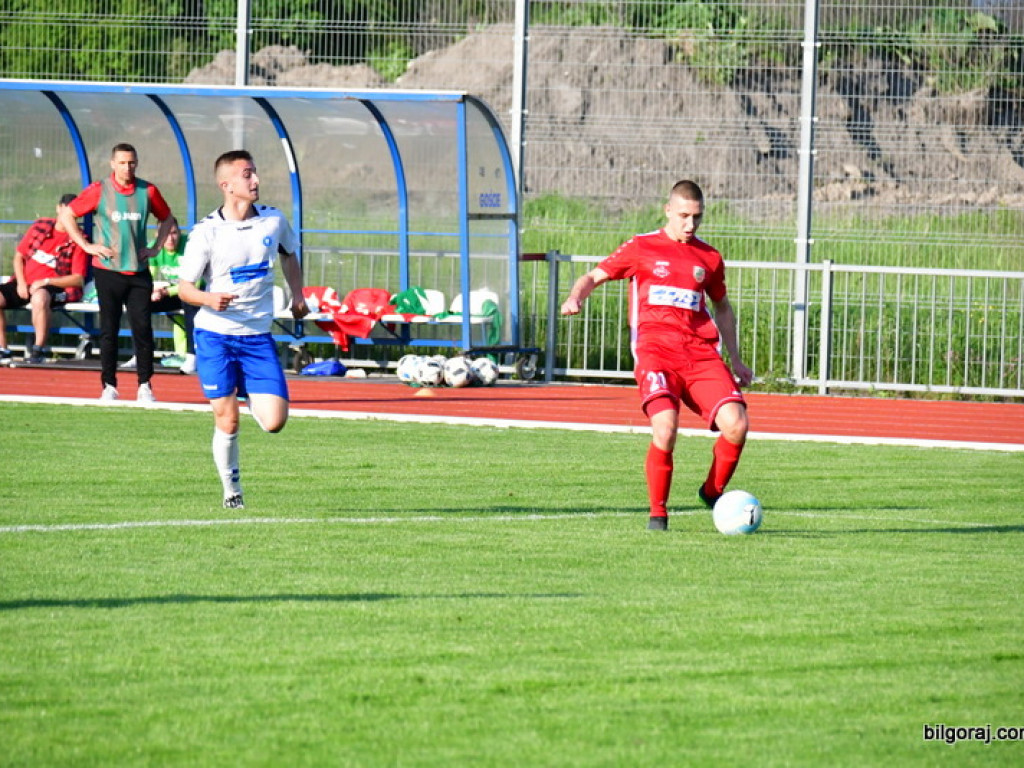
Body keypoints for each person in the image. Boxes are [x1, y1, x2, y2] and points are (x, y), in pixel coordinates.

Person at [560, 180, 754, 531]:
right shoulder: (642, 247)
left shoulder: (708, 257)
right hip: (656, 353)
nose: (690, 224)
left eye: (697, 217)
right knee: (665, 429)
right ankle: (658, 514)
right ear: (668, 210)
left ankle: (712, 493)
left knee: (737, 425)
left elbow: (722, 308)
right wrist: (576, 297)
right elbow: (593, 276)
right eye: (683, 216)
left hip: (700, 355)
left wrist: (736, 358)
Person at [177, 149, 309, 510]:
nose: (256, 181)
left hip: (257, 337)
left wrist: (298, 294)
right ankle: (231, 490)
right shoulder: (206, 232)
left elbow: (289, 253)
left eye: (255, 173)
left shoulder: (273, 220)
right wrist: (208, 298)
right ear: (227, 185)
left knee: (274, 422)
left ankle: (252, 391)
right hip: (215, 336)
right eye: (247, 175)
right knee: (228, 418)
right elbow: (184, 288)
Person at [59, 143, 175, 403]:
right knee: (108, 330)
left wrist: (156, 247)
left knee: (142, 329)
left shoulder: (148, 191)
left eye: (132, 162)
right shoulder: (100, 190)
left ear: (137, 162)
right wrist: (86, 245)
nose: (127, 167)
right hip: (107, 270)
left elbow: (167, 219)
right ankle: (109, 385)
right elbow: (68, 215)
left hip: (138, 272)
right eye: (122, 162)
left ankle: (145, 385)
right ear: (113, 164)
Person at [0, 194, 89, 364]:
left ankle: (38, 349)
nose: (70, 216)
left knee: (40, 297)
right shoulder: (41, 226)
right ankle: (3, 349)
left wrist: (46, 281)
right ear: (59, 209)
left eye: (75, 213)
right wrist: (20, 283)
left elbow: (77, 279)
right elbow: (19, 256)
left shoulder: (79, 240)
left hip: (53, 287)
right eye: (67, 211)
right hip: (23, 283)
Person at [120, 222, 199, 374]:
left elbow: (197, 282)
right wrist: (150, 291)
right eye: (166, 234)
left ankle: (192, 356)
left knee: (189, 301)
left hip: (194, 292)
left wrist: (166, 292)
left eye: (174, 233)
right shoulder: (153, 249)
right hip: (171, 292)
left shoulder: (190, 246)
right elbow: (149, 276)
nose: (170, 238)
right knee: (138, 304)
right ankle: (141, 354)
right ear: (158, 236)